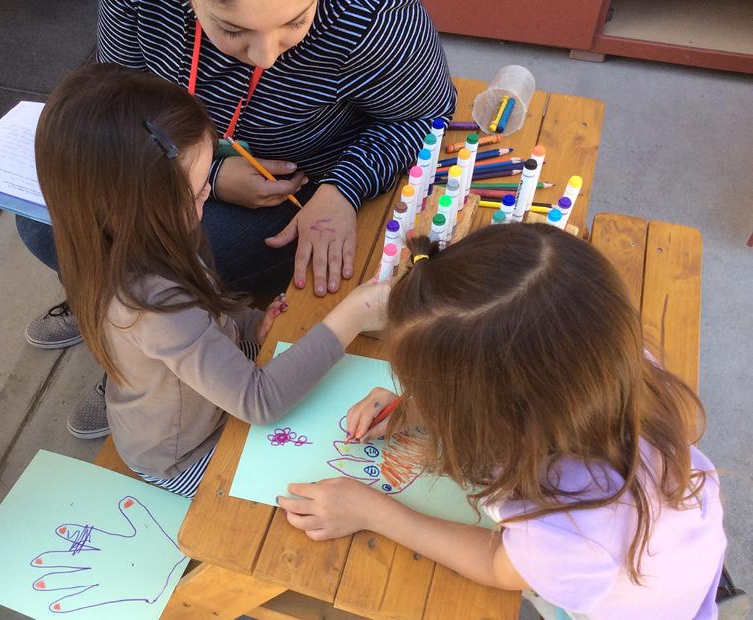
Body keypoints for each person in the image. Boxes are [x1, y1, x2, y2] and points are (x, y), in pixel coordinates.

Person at [19, 0, 456, 437]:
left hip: (293, 188)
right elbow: (119, 112)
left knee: (163, 253)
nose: (266, 55)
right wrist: (209, 173)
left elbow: (427, 113)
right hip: (174, 172)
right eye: (232, 30)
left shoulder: (375, 16)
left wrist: (343, 188)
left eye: (295, 22)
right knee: (53, 226)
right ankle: (132, 345)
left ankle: (136, 332)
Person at [278, 226, 726, 618]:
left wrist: (373, 511)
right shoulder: (607, 365)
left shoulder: (567, 534)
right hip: (685, 561)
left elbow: (498, 564)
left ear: (493, 420)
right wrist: (415, 407)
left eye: (436, 395)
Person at [35, 64, 388, 496]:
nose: (210, 197)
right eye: (201, 189)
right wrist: (353, 315)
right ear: (138, 207)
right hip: (183, 457)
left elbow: (208, 303)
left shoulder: (125, 243)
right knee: (316, 491)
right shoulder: (151, 302)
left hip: (190, 410)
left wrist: (245, 324)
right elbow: (261, 403)